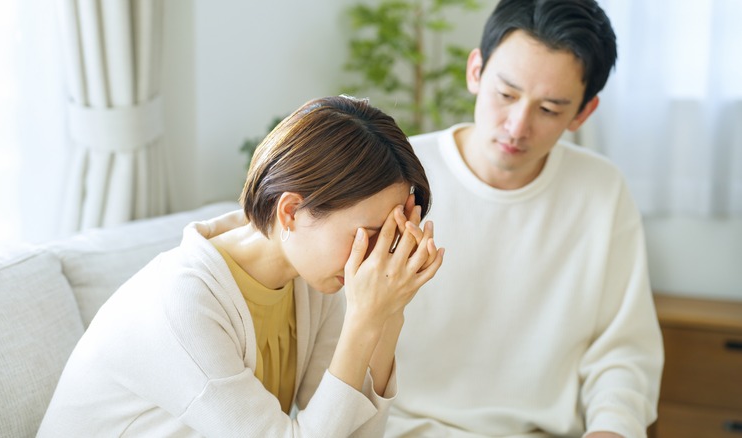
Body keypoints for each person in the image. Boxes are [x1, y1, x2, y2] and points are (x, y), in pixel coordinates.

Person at [38, 96, 445, 437]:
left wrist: (388, 314)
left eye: (388, 238)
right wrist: (364, 320)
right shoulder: (183, 303)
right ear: (291, 211)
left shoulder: (312, 279)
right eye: (368, 235)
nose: (376, 259)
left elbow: (352, 432)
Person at [385, 1, 664, 437]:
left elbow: (622, 351)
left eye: (549, 109)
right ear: (476, 71)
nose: (517, 127)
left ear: (583, 113)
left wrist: (612, 427)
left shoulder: (602, 191)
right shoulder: (394, 176)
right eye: (506, 94)